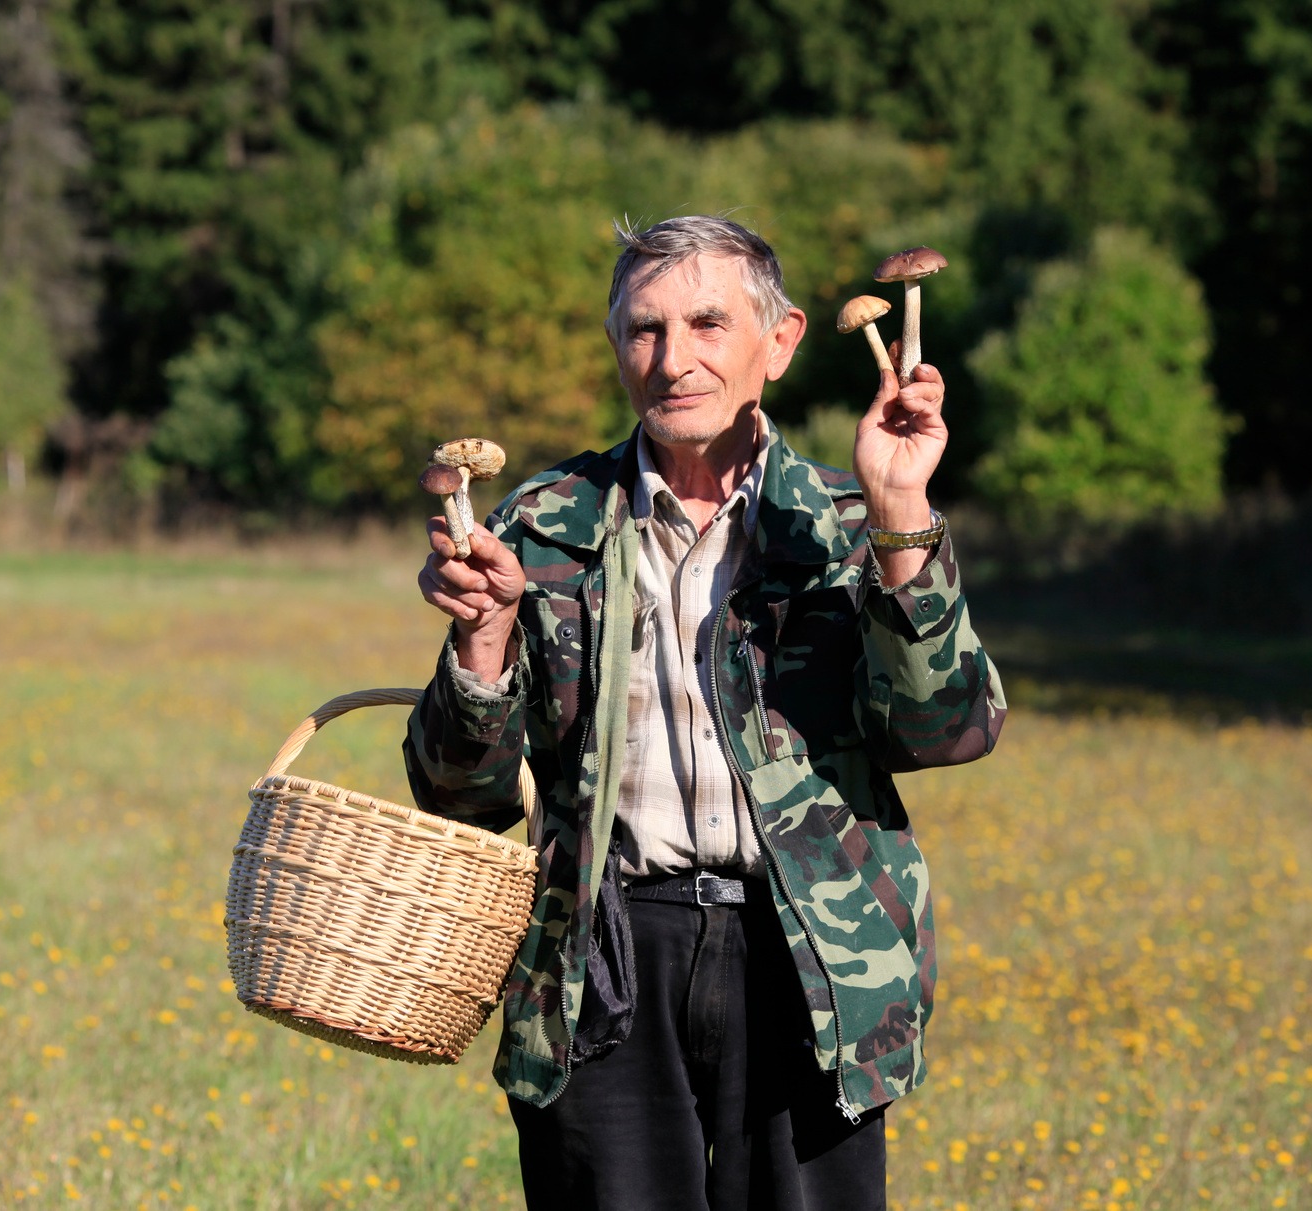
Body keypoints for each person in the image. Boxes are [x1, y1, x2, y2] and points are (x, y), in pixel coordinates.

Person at [404, 215, 1006, 1211]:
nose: (672, 359)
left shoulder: (847, 521)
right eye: (644, 330)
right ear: (615, 346)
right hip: (599, 958)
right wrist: (480, 643)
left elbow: (948, 729)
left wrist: (903, 514)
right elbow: (460, 800)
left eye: (708, 323)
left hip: (816, 953)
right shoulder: (537, 527)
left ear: (780, 341)